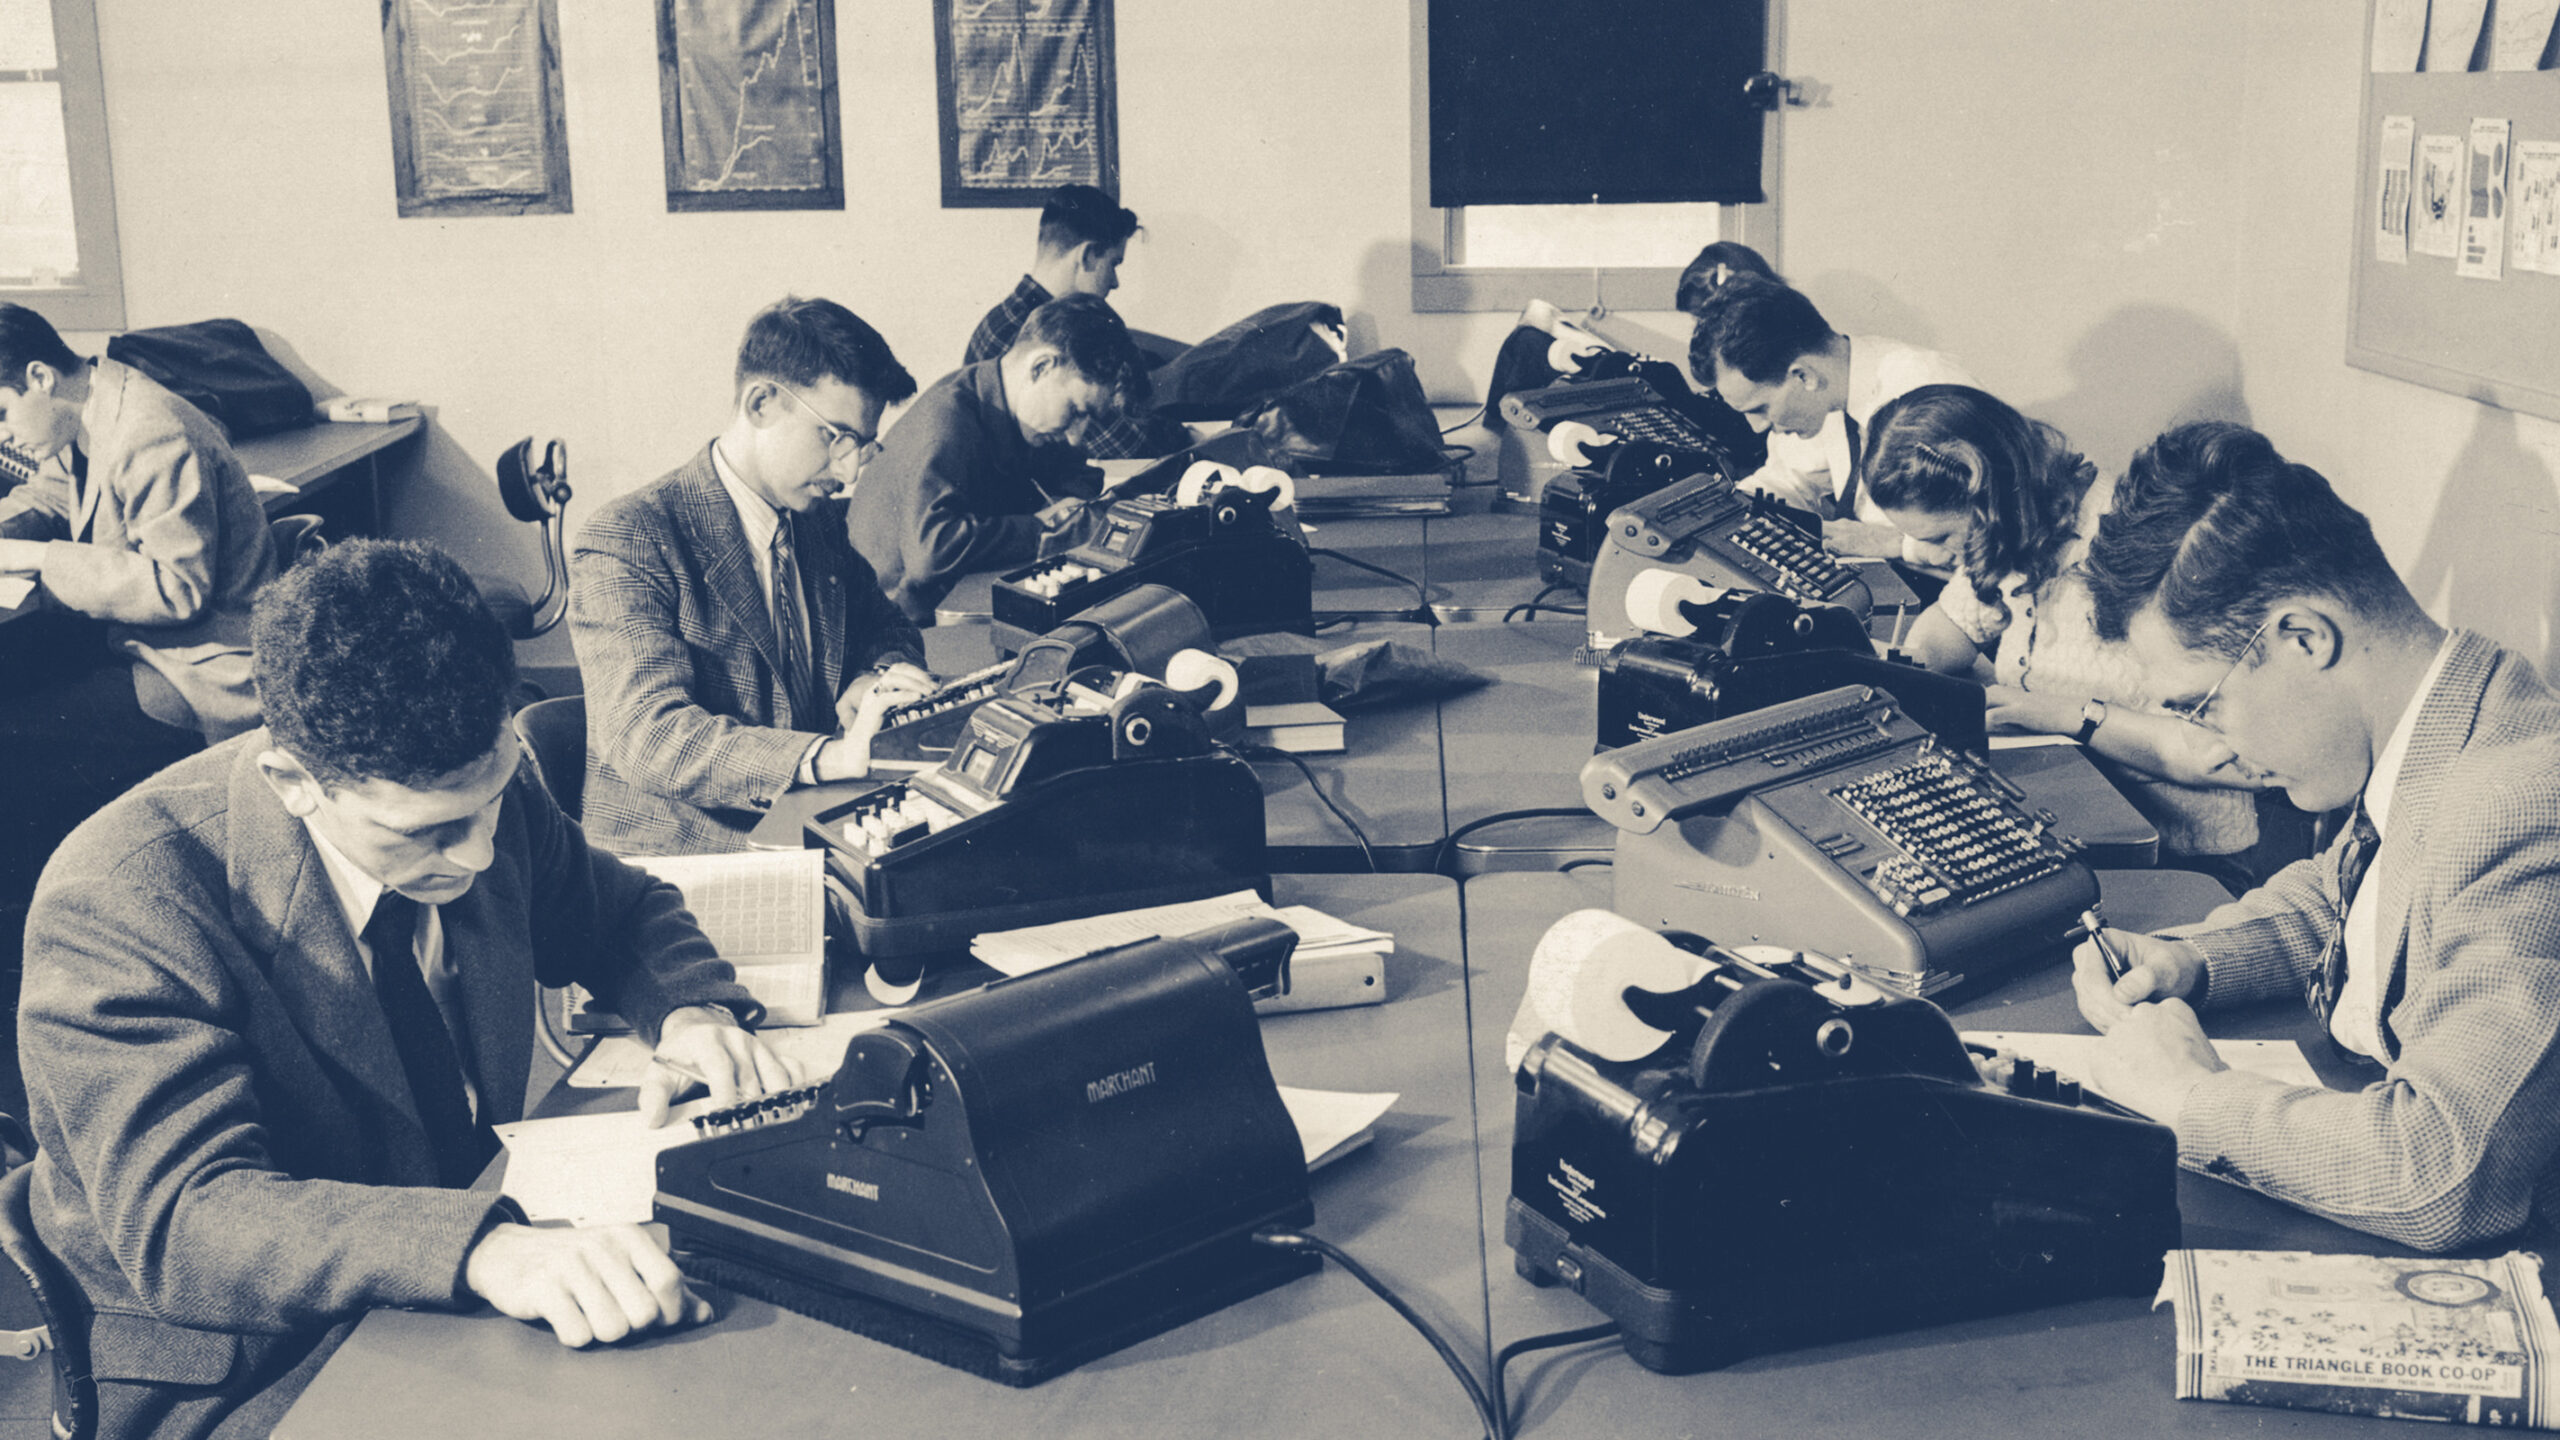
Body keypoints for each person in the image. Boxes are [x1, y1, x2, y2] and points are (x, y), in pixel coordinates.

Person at [17, 539, 799, 1436]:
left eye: (492, 802)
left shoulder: (479, 791)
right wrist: (482, 1251)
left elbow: (620, 910)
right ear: (292, 782)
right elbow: (188, 1220)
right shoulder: (122, 897)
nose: (475, 855)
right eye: (424, 834)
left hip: (445, 1280)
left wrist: (689, 1013)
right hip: (243, 1363)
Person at [2066, 421, 2560, 1252]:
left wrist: (2188, 1096)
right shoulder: (2443, 727)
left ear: (2304, 637)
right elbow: (2350, 897)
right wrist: (2191, 959)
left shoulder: (2515, 801)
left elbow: (2444, 1173)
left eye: (2201, 703)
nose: (2212, 745)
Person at [571, 296, 935, 856]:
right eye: (835, 438)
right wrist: (828, 755)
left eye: (862, 447)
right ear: (761, 403)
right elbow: (649, 736)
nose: (849, 470)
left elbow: (888, 626)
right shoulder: (629, 535)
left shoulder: (813, 524)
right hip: (674, 863)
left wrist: (875, 678)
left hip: (802, 829)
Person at [1863, 384, 2262, 870]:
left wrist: (2052, 711)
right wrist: (1904, 671)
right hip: (2065, 809)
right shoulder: (2010, 522)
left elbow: (2223, 753)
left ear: (1980, 488)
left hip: (2176, 850)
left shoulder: (2137, 542)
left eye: (1943, 537)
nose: (1936, 555)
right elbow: (1952, 624)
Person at [0, 302, 277, 745]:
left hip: (199, 674)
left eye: (1, 415)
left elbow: (177, 589)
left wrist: (38, 555)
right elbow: (51, 495)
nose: (2, 438)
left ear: (40, 378)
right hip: (138, 644)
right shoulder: (82, 407)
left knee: (12, 742)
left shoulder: (149, 429)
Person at [849, 293, 1146, 625]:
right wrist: (1046, 529)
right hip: (897, 627)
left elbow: (1074, 473)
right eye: (1076, 411)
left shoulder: (1025, 413)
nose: (1077, 435)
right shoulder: (948, 421)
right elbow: (931, 551)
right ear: (1041, 367)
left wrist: (1068, 503)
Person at [1688, 275, 1974, 562]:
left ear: (1803, 376)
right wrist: (1722, 510)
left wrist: (1899, 544)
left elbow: (1998, 538)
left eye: (1760, 408)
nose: (1758, 426)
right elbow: (1787, 481)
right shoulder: (1827, 393)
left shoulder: (1928, 387)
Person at [962, 183, 1188, 459]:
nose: (1115, 283)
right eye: (1113, 264)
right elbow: (1125, 445)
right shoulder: (1034, 336)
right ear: (1087, 255)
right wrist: (1185, 433)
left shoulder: (1007, 316)